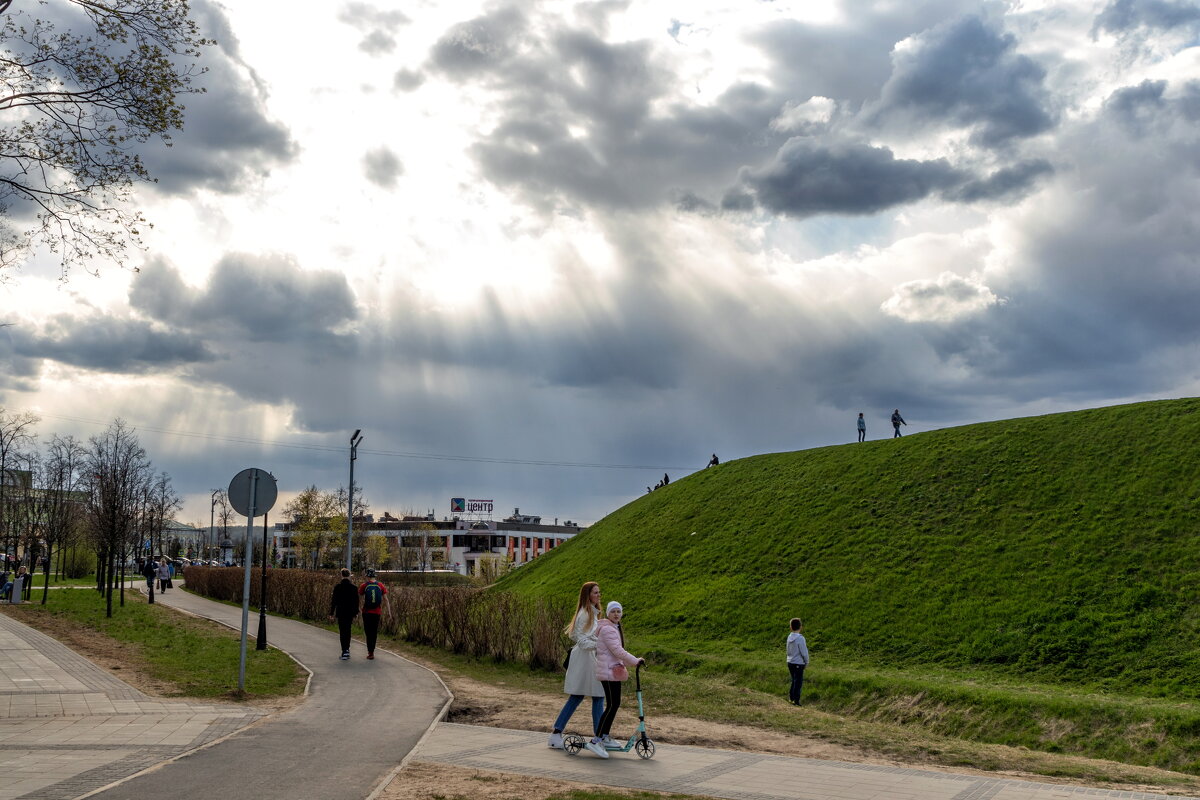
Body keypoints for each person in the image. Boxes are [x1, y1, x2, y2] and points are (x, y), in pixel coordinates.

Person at [549, 582, 605, 751]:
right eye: (595, 593)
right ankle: (598, 737)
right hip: (584, 661)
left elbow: (585, 637)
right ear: (587, 595)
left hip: (588, 660)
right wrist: (600, 645)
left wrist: (600, 643)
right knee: (595, 696)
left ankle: (557, 733)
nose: (598, 595)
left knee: (584, 697)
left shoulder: (592, 614)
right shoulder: (584, 615)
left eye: (599, 593)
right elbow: (581, 641)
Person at [591, 601, 644, 759]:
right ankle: (596, 740)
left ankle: (605, 736)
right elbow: (618, 650)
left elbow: (617, 653)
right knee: (612, 705)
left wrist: (633, 662)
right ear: (608, 613)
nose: (616, 614)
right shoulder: (608, 629)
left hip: (613, 670)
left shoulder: (614, 628)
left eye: (618, 611)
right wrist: (635, 661)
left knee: (615, 704)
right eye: (613, 611)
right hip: (607, 672)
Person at [328, 568, 360, 660]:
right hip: (350, 612)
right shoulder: (354, 588)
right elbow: (356, 601)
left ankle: (344, 650)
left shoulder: (338, 587)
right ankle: (347, 650)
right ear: (349, 575)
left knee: (342, 631)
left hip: (341, 612)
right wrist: (356, 612)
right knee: (348, 630)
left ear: (341, 575)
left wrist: (331, 613)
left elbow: (334, 601)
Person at [358, 568, 389, 660]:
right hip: (377, 612)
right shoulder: (380, 585)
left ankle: (370, 651)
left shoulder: (364, 585)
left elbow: (358, 598)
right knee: (374, 632)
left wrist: (359, 609)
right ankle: (372, 651)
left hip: (366, 612)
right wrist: (389, 612)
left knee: (368, 632)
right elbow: (386, 600)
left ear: (367, 576)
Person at [787, 618, 810, 705]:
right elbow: (804, 652)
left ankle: (791, 698)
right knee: (798, 682)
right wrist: (806, 662)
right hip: (798, 663)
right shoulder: (800, 638)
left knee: (794, 680)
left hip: (790, 662)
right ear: (801, 627)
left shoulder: (789, 637)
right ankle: (796, 701)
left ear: (791, 627)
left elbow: (788, 650)